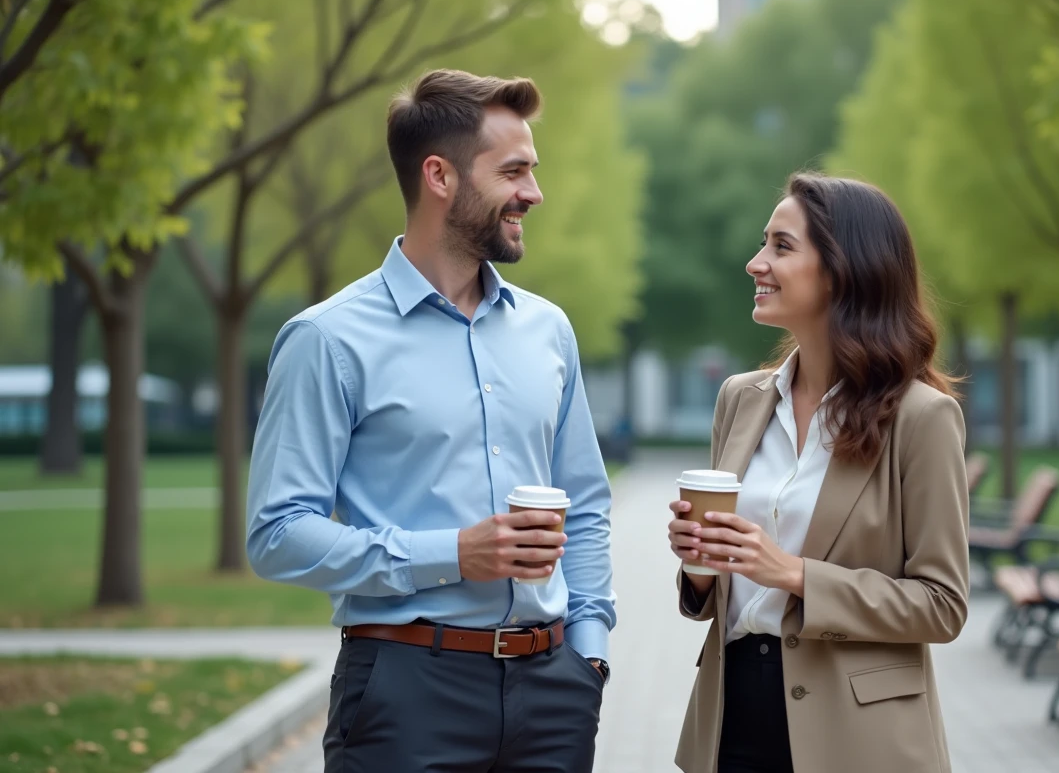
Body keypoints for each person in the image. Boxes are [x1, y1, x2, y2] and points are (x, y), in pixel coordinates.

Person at [246, 69, 614, 773]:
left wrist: (589, 651)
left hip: (553, 697)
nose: (533, 193)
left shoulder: (548, 330)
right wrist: (451, 554)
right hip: (405, 693)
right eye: (514, 172)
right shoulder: (328, 339)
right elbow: (277, 533)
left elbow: (587, 504)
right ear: (439, 176)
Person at [667, 172, 970, 773]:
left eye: (781, 247)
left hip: (859, 735)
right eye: (764, 243)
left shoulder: (922, 417)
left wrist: (794, 574)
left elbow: (942, 604)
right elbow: (722, 592)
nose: (756, 263)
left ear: (843, 270)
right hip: (730, 716)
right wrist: (700, 563)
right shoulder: (740, 398)